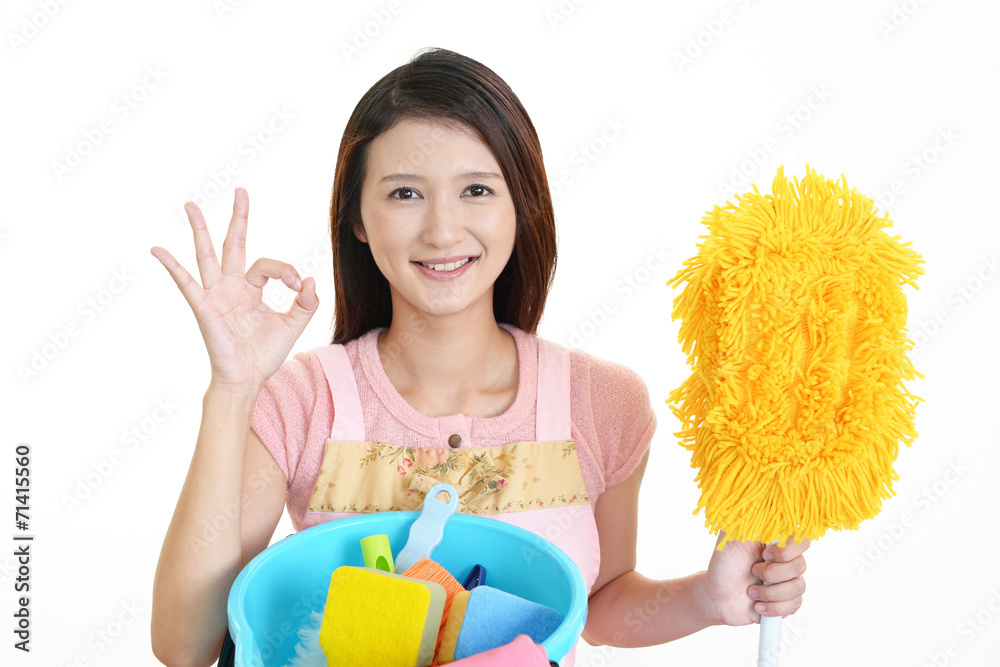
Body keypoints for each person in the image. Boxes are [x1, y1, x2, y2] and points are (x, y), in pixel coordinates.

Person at [149, 47, 809, 667]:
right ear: (357, 218)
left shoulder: (602, 402)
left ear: (522, 204)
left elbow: (600, 604)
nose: (442, 230)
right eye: (405, 193)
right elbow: (185, 642)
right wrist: (233, 389)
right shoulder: (301, 402)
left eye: (476, 190)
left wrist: (709, 599)